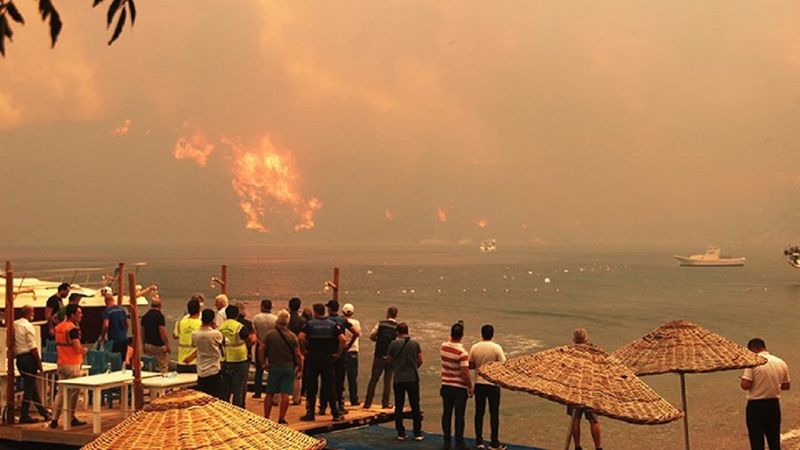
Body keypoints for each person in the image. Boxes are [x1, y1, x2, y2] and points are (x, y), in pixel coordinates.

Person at [297, 303, 345, 422]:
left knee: (312, 386)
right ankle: (335, 413)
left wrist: (304, 350)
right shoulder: (333, 325)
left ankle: (310, 414)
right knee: (329, 386)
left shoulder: (309, 324)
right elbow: (343, 340)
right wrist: (338, 354)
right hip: (327, 358)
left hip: (312, 357)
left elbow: (301, 337)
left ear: (315, 312)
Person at [741, 337, 791, 450]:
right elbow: (786, 386)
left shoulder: (752, 362)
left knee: (757, 441)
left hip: (756, 406)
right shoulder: (780, 362)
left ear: (752, 349)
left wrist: (742, 381)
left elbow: (746, 385)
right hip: (773, 405)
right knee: (774, 440)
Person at [261, 309, 303, 424]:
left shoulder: (270, 335)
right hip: (288, 367)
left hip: (274, 366)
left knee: (270, 392)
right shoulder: (292, 336)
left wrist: (263, 363)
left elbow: (261, 348)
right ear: (287, 322)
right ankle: (281, 418)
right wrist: (300, 368)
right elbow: (298, 355)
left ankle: (266, 416)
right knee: (285, 393)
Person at [50, 304, 88, 429]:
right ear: (72, 315)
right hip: (73, 364)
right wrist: (84, 350)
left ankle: (54, 419)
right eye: (79, 313)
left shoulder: (59, 327)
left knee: (60, 392)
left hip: (61, 362)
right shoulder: (72, 329)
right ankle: (70, 417)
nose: (81, 315)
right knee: (74, 392)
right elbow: (77, 348)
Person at [469, 324, 507, 450]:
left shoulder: (475, 347)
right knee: (494, 414)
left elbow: (471, 364)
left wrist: (480, 365)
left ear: (482, 334)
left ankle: (478, 441)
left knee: (479, 413)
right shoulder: (496, 348)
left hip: (479, 383)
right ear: (492, 334)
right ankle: (494, 442)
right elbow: (503, 365)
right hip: (493, 384)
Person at [387, 322, 423, 441]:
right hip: (413, 378)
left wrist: (397, 367)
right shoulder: (415, 343)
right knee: (415, 405)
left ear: (398, 332)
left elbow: (389, 360)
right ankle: (417, 432)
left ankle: (401, 432)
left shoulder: (393, 344)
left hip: (399, 379)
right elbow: (420, 360)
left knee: (399, 405)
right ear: (407, 331)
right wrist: (414, 367)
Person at [15, 305, 51, 423]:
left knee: (31, 386)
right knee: (29, 388)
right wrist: (39, 363)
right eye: (33, 312)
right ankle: (24, 415)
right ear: (29, 313)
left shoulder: (14, 324)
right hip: (28, 358)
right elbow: (33, 347)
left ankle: (43, 412)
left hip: (19, 358)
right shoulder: (28, 326)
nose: (33, 314)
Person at [440, 321, 473, 450]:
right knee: (459, 416)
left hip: (446, 385)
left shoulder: (443, 347)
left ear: (451, 334)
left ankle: (447, 440)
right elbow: (465, 373)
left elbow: (449, 341)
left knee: (446, 413)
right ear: (462, 335)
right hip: (459, 388)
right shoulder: (462, 353)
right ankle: (459, 442)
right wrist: (470, 387)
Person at [567, 328, 602, 450]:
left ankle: (577, 446)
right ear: (587, 339)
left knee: (575, 419)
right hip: (590, 389)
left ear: (573, 340)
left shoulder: (570, 353)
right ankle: (598, 447)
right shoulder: (594, 353)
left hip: (575, 389)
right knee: (593, 420)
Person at [323, 299, 359, 414]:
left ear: (329, 309)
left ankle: (323, 406)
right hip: (340, 353)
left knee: (326, 380)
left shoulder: (326, 320)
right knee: (340, 380)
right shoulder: (342, 320)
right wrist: (347, 346)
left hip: (328, 353)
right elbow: (356, 332)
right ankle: (340, 405)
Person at [185, 309, 225, 399]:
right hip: (214, 369)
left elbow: (194, 346)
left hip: (201, 370)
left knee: (202, 398)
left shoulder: (194, 334)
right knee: (214, 398)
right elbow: (223, 343)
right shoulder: (216, 334)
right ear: (213, 320)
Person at [364, 306, 399, 409]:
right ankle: (385, 403)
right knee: (387, 381)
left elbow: (372, 336)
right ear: (396, 315)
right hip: (390, 357)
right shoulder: (397, 327)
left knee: (373, 379)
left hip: (379, 355)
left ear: (387, 313)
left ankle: (367, 403)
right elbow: (397, 342)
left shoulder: (380, 324)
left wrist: (379, 340)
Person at [218, 304, 251, 407]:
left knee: (225, 390)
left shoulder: (220, 327)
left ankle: (225, 409)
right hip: (239, 360)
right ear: (237, 314)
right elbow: (249, 340)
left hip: (225, 360)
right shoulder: (239, 327)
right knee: (238, 390)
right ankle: (238, 411)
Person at [251, 299, 277, 398]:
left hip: (260, 344)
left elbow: (254, 333)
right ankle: (270, 391)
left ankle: (257, 392)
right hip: (271, 345)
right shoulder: (275, 319)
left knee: (259, 369)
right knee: (272, 368)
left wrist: (260, 342)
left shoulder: (256, 318)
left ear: (262, 306)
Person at [141, 294, 170, 373]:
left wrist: (143, 344)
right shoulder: (159, 316)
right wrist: (167, 345)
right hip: (159, 346)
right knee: (163, 366)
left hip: (148, 345)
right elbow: (162, 332)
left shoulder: (145, 316)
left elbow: (142, 332)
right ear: (160, 306)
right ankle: (163, 382)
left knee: (150, 365)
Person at [288, 298, 308, 405]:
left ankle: (276, 398)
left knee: (282, 374)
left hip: (285, 349)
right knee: (298, 374)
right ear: (299, 307)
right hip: (298, 349)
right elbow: (304, 337)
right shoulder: (302, 321)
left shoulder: (286, 319)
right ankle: (296, 398)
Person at [175, 297, 202, 374]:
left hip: (181, 361)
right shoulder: (200, 324)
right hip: (195, 362)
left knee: (183, 385)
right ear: (199, 310)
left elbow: (175, 335)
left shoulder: (180, 322)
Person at [100, 290, 128, 362]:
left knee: (114, 360)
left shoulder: (107, 311)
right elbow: (126, 324)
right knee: (123, 359)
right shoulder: (122, 309)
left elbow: (106, 325)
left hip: (114, 339)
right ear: (113, 300)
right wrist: (125, 332)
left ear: (106, 301)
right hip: (124, 338)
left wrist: (103, 337)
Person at [342, 303, 361, 406]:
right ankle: (354, 399)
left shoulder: (341, 322)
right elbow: (358, 333)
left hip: (343, 350)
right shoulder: (356, 323)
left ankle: (340, 398)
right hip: (353, 350)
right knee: (352, 377)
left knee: (340, 376)